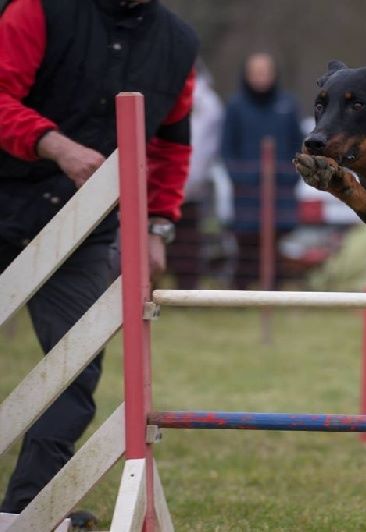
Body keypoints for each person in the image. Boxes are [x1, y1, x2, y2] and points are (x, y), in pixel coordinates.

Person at [0, 0, 197, 522]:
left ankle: (29, 511)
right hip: (6, 195)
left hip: (84, 227)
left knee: (74, 373)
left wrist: (158, 225)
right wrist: (52, 144)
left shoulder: (178, 43)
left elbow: (171, 147)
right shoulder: (35, 11)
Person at [221, 52, 304, 289]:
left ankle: (273, 293)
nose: (261, 77)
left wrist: (289, 177)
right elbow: (227, 150)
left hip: (280, 192)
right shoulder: (235, 107)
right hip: (247, 193)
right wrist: (242, 178)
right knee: (248, 247)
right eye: (255, 72)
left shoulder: (288, 105)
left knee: (274, 245)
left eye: (265, 72)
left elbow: (299, 146)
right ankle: (241, 294)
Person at [167, 60, 226, 290]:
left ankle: (187, 287)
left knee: (188, 240)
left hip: (191, 185)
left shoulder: (208, 104)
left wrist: (195, 178)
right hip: (167, 183)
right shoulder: (167, 94)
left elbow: (208, 148)